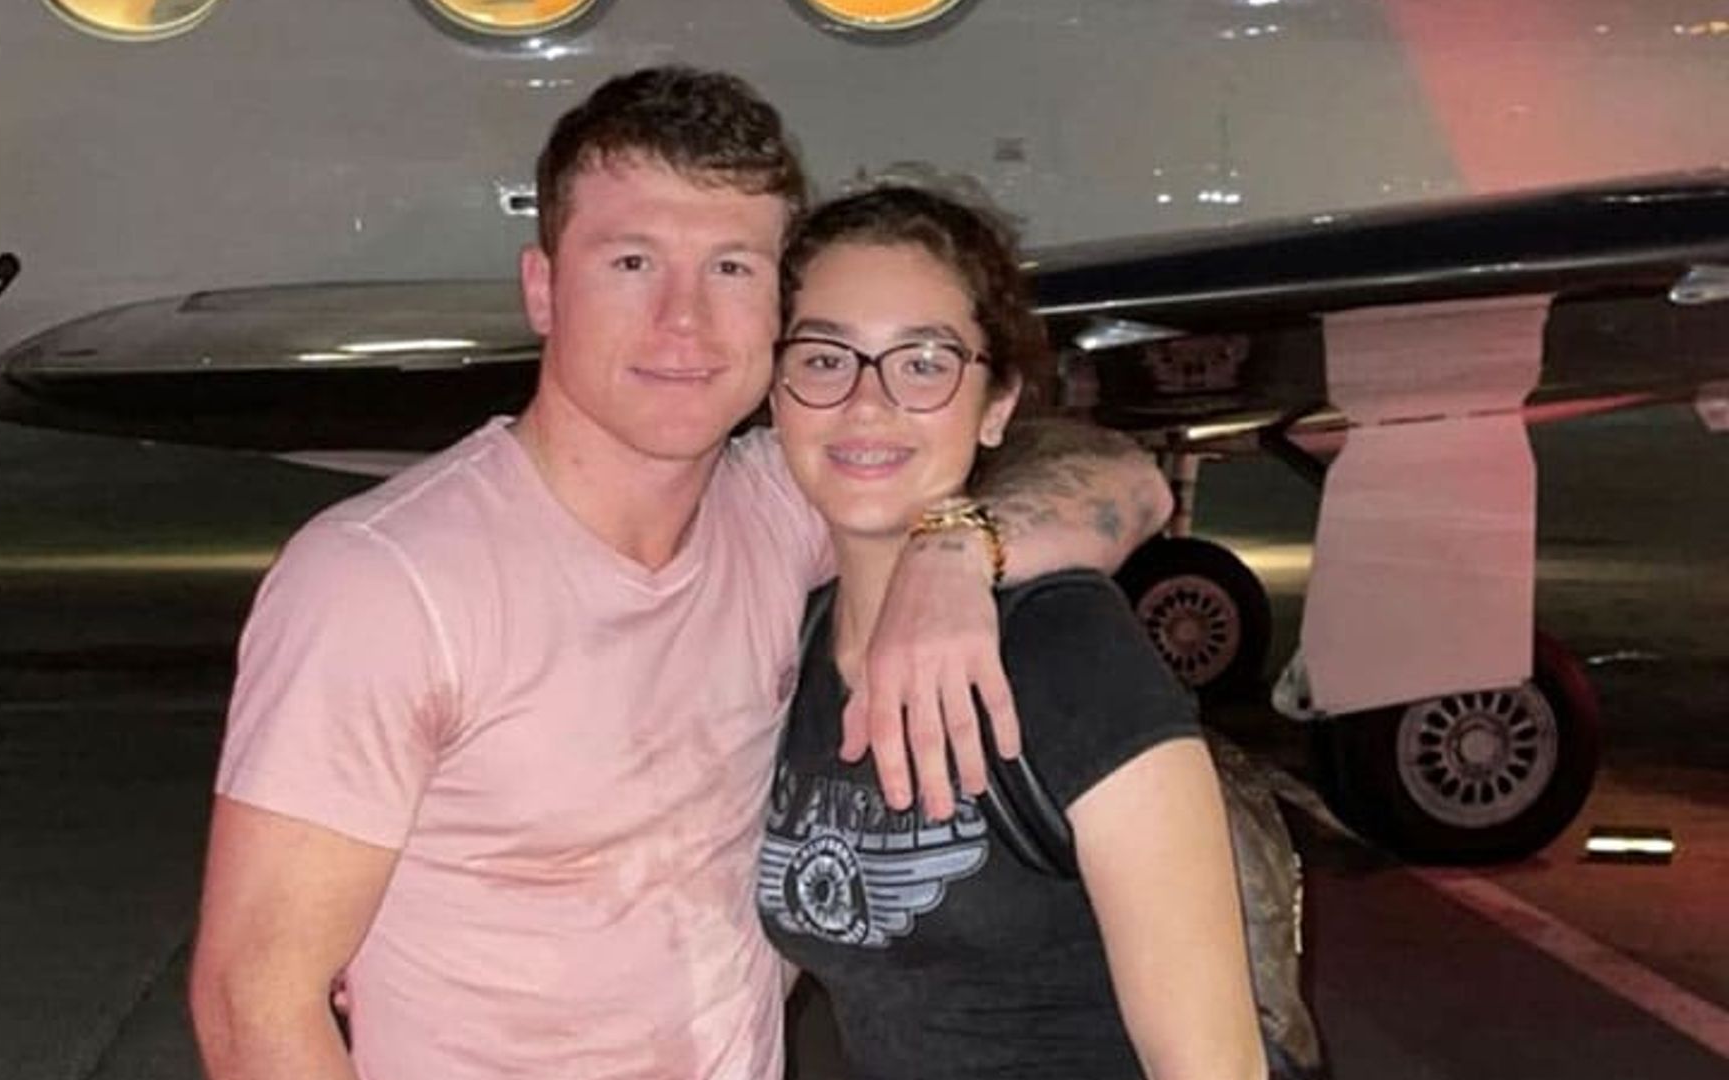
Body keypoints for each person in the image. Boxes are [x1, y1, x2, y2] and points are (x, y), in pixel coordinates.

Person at [189, 68, 1169, 1080]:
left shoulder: (779, 509)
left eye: (733, 268)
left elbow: (1125, 479)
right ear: (542, 288)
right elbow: (253, 1004)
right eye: (631, 261)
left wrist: (959, 549)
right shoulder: (387, 583)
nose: (684, 321)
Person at [758, 185, 1265, 1079]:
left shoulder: (1066, 652)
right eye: (825, 358)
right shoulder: (794, 654)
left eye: (923, 363)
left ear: (995, 407)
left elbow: (1211, 1065)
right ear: (776, 392)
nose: (866, 403)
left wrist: (959, 549)